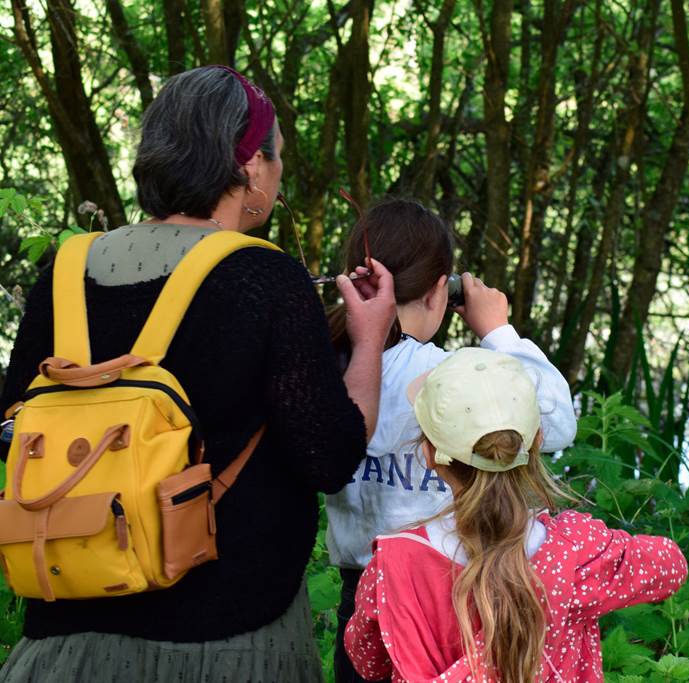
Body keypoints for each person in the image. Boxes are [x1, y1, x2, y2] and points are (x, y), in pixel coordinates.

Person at [0, 66, 395, 682]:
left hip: (65, 640)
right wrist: (369, 339)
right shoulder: (268, 277)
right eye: (278, 158)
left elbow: (13, 419)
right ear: (250, 167)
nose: (279, 173)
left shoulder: (64, 269)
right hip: (229, 641)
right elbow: (329, 456)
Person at [324, 198, 577, 682]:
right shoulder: (447, 376)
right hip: (455, 598)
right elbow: (555, 425)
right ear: (441, 289)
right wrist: (499, 333)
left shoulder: (333, 364)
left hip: (362, 600)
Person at [344, 348, 687, 682]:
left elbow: (366, 659)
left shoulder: (396, 561)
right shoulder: (574, 553)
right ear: (537, 441)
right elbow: (670, 566)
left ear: (429, 454)